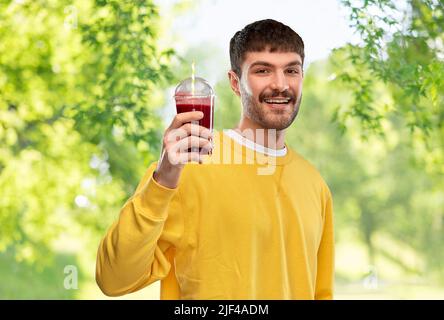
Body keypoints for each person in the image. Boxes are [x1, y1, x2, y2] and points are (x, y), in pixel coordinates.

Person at [96, 19, 334, 300]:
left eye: (291, 70)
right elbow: (113, 279)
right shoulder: (186, 167)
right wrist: (163, 180)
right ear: (235, 83)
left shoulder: (315, 185)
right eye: (262, 70)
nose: (280, 85)